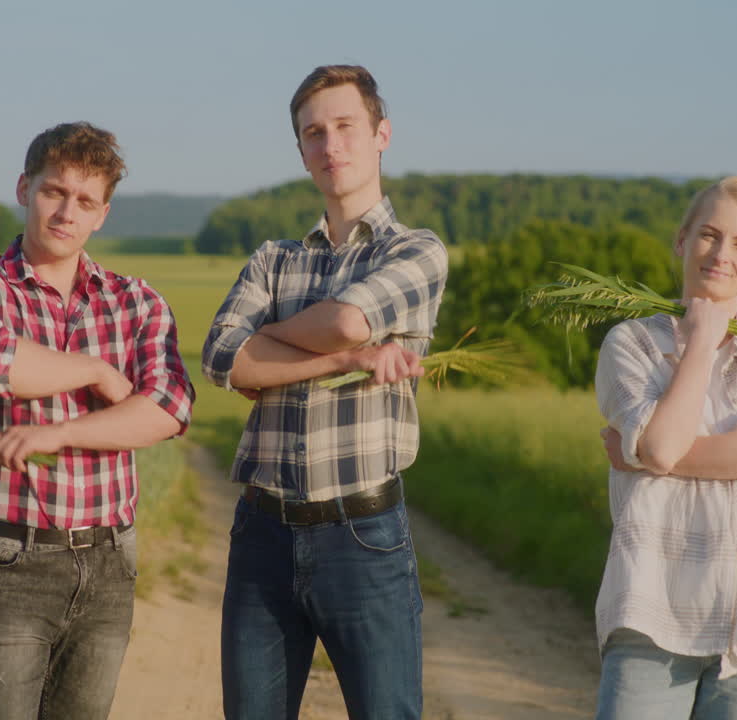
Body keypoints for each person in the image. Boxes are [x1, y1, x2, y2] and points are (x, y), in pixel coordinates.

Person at [201, 65, 448, 719]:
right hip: (262, 534)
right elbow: (223, 357)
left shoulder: (416, 251)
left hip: (362, 535)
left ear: (381, 134)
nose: (330, 145)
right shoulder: (273, 259)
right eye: (314, 133)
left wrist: (271, 341)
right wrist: (346, 360)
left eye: (345, 127)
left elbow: (345, 320)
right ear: (301, 150)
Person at [0, 121, 194, 720]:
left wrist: (60, 432)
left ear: (102, 214)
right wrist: (98, 372)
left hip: (110, 559)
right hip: (10, 559)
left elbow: (169, 408)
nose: (65, 212)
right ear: (24, 188)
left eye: (84, 200)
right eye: (54, 191)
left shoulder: (137, 301)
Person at [592, 176, 737, 719]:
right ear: (681, 240)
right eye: (709, 235)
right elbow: (664, 448)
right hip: (650, 605)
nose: (721, 254)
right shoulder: (632, 342)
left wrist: (639, 454)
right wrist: (703, 342)